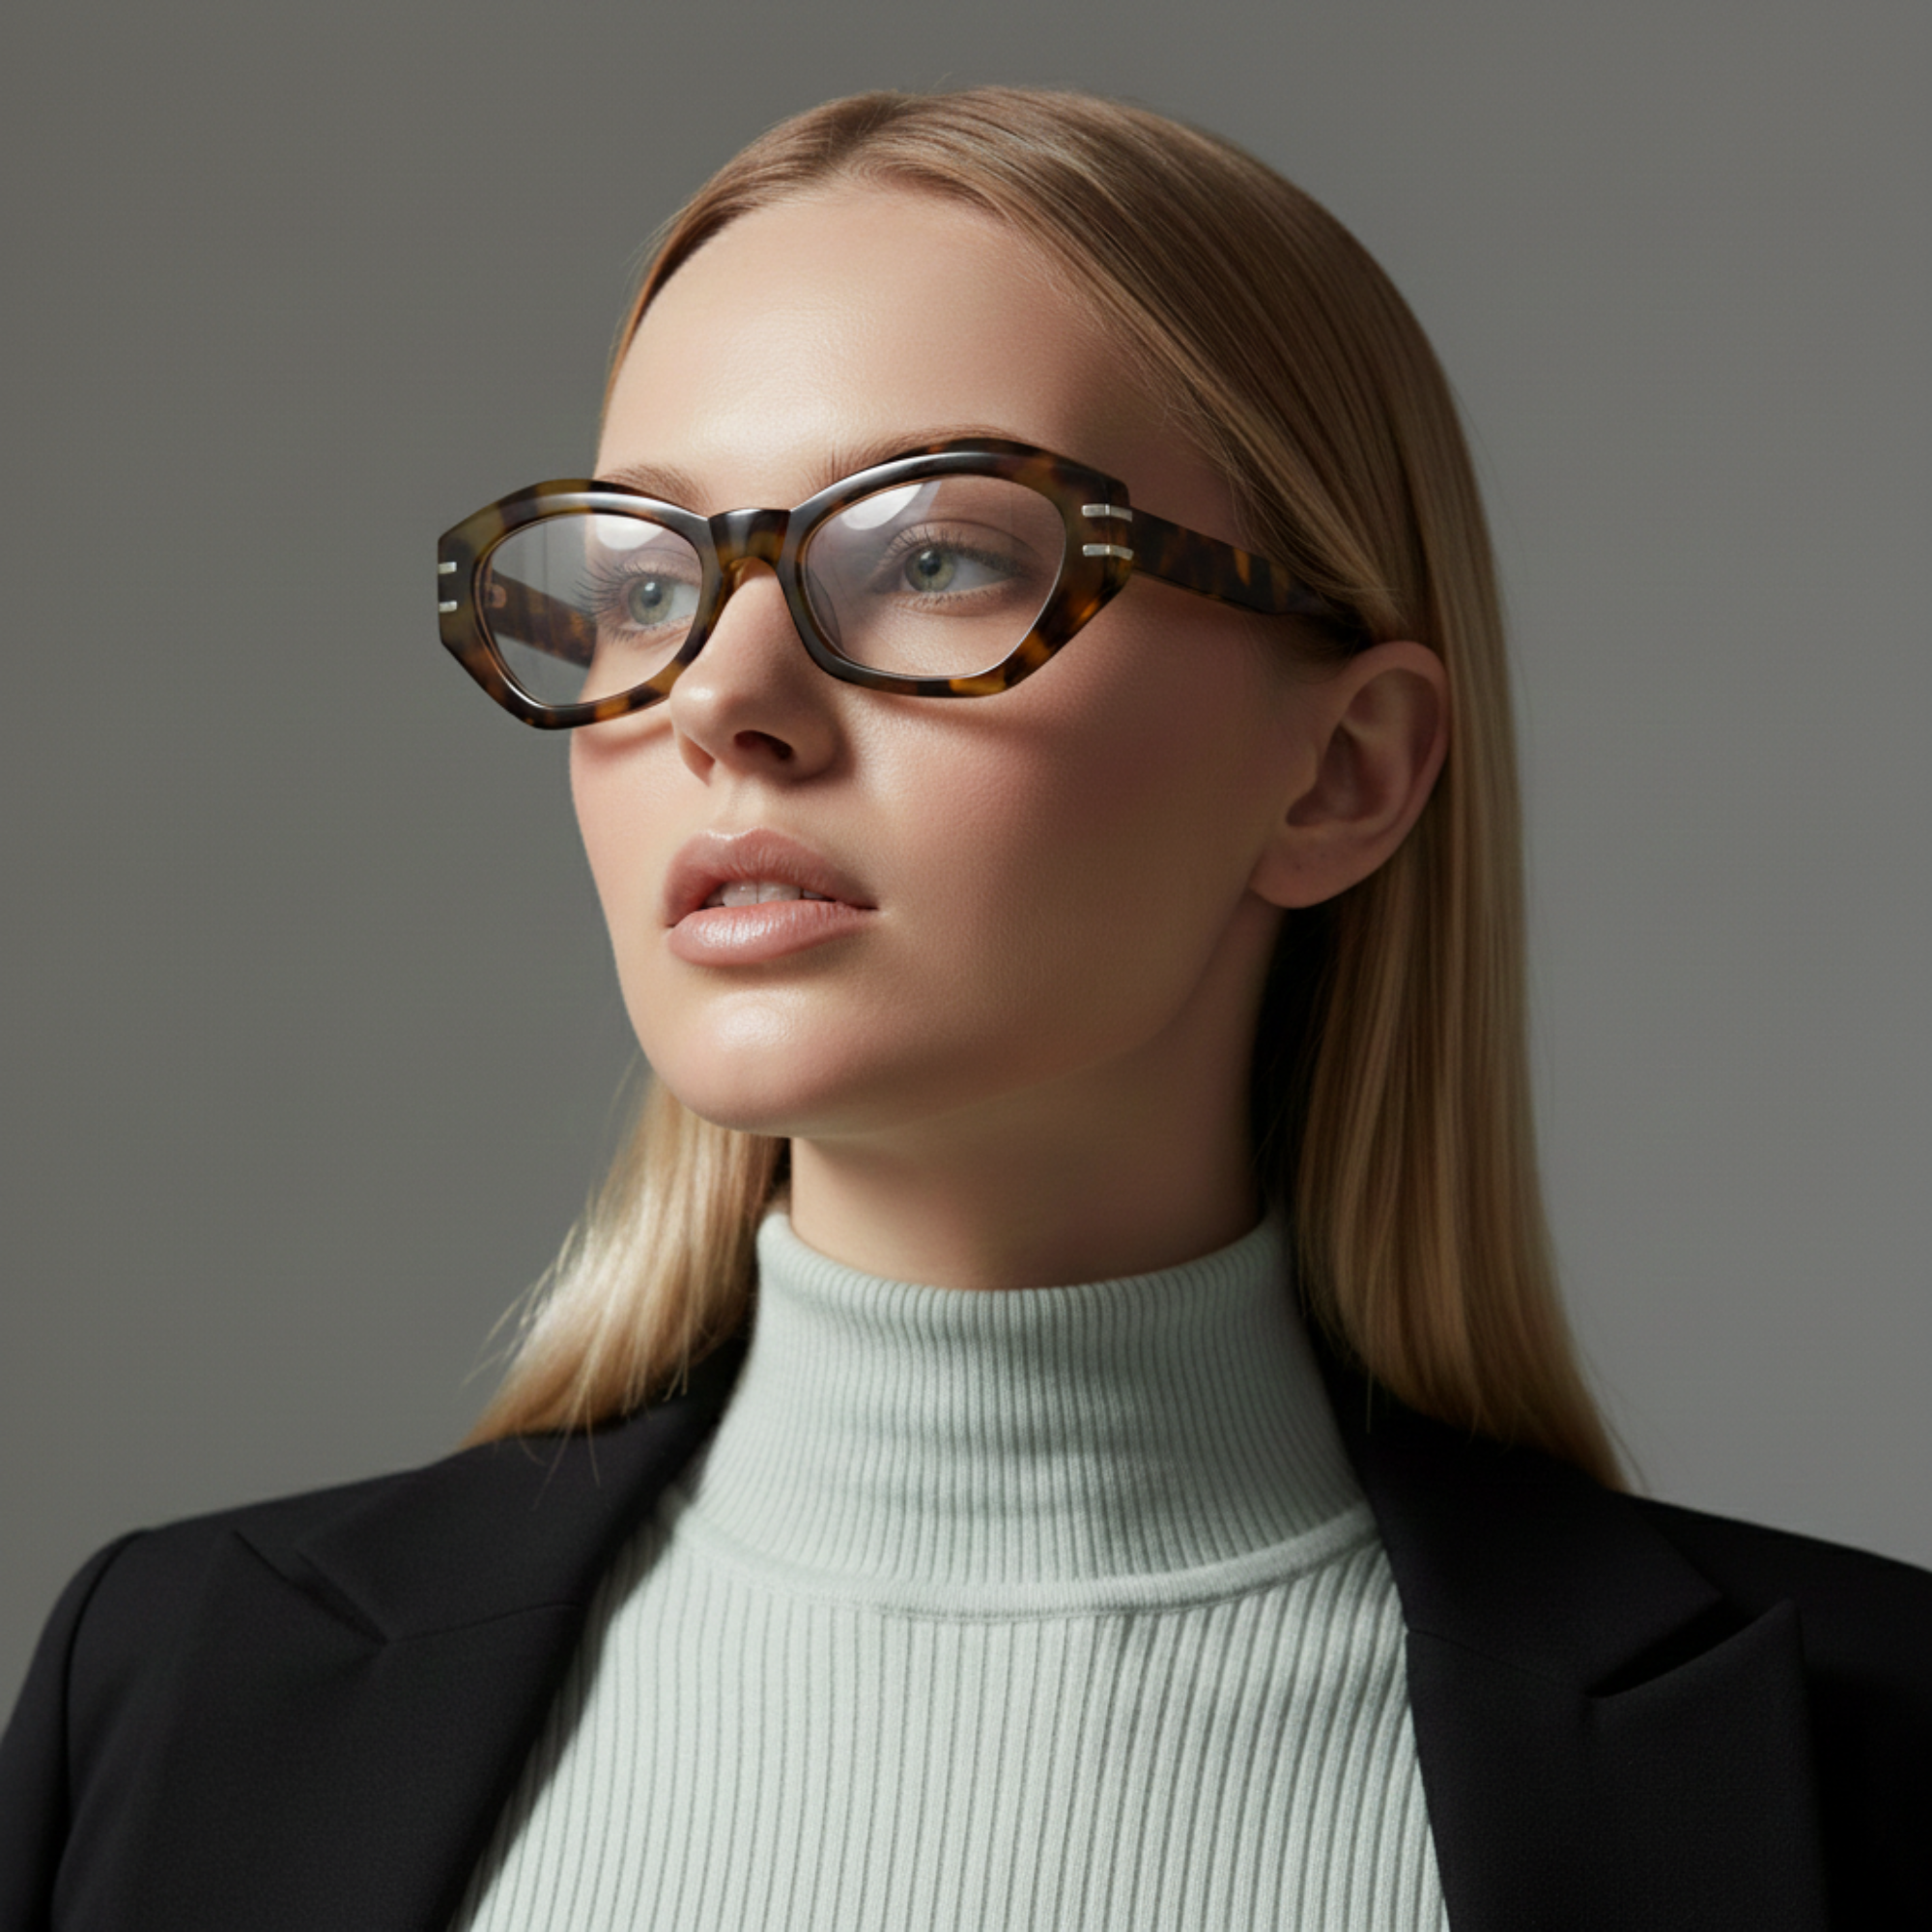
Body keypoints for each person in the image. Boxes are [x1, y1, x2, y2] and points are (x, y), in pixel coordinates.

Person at [2, 85, 1925, 1932]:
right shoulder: (177, 1694)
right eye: (644, 577)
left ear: (1340, 772)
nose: (716, 697)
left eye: (933, 555)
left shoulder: (1853, 1759)